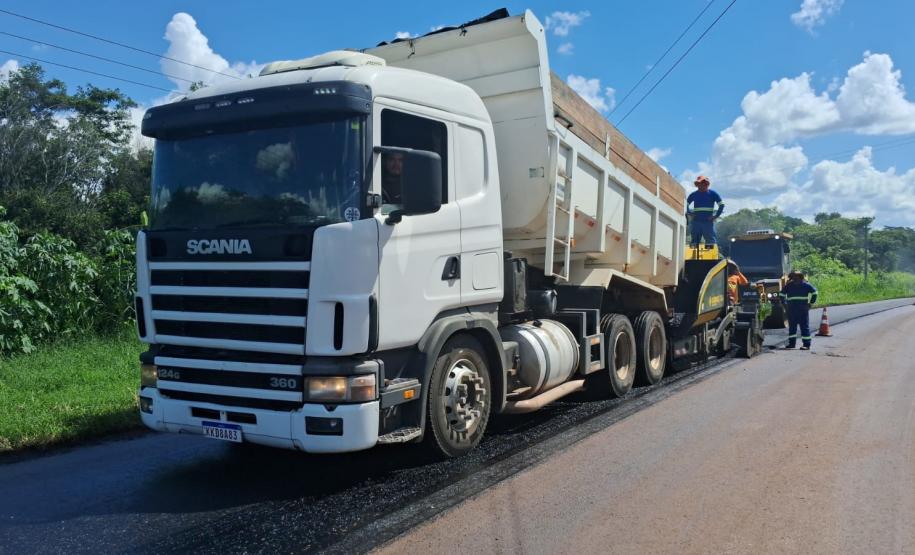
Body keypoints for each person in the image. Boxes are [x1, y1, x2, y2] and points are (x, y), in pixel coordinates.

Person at [780, 270, 818, 350]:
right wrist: (784, 303)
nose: (794, 279)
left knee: (804, 327)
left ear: (800, 277)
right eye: (793, 277)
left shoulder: (806, 285)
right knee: (792, 328)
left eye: (796, 277)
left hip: (802, 310)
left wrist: (810, 303)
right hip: (792, 310)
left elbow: (815, 293)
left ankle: (806, 345)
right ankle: (792, 344)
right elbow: (781, 294)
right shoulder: (789, 286)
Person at [686, 175, 725, 247]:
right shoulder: (694, 194)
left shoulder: (713, 193)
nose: (701, 186)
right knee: (694, 242)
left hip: (708, 222)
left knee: (710, 242)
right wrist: (690, 213)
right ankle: (693, 257)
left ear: (707, 184)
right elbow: (685, 204)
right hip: (696, 222)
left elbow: (722, 205)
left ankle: (711, 257)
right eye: (699, 184)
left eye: (704, 184)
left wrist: (715, 216)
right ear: (697, 185)